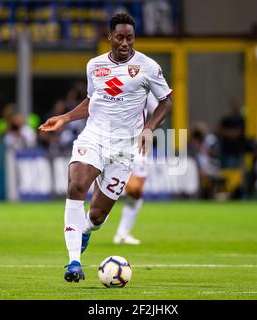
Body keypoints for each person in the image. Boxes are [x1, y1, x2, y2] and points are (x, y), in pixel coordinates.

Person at [39, 12, 172, 283]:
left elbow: (166, 101)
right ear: (110, 37)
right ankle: (73, 261)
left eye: (130, 38)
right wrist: (64, 118)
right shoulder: (94, 66)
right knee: (76, 185)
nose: (125, 43)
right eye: (120, 37)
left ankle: (86, 229)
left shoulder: (148, 67)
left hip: (124, 148)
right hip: (95, 137)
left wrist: (149, 128)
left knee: (98, 216)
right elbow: (92, 101)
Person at [113, 93, 159, 245]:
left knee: (136, 191)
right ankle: (89, 224)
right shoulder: (114, 85)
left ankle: (122, 233)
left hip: (138, 144)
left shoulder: (145, 88)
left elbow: (159, 109)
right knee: (123, 188)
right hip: (114, 142)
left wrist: (149, 128)